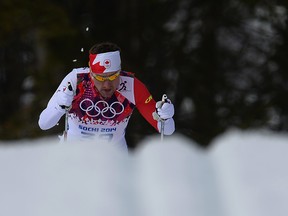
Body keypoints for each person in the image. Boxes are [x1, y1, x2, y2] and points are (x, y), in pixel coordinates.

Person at [38, 42, 175, 150]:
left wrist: (166, 116)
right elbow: (44, 123)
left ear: (120, 71)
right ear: (91, 73)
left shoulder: (132, 86)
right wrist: (60, 106)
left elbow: (167, 130)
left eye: (114, 76)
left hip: (114, 160)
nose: (107, 85)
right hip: (74, 156)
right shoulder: (76, 80)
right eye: (100, 77)